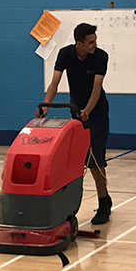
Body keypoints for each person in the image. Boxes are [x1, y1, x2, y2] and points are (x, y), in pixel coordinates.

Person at [39, 23, 112, 224]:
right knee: (79, 160)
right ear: (78, 43)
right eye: (90, 42)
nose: (94, 45)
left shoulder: (100, 56)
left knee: (96, 160)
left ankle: (104, 202)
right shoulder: (65, 54)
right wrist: (46, 105)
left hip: (95, 113)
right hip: (77, 112)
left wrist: (87, 111)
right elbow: (54, 83)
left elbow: (97, 89)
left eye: (95, 41)